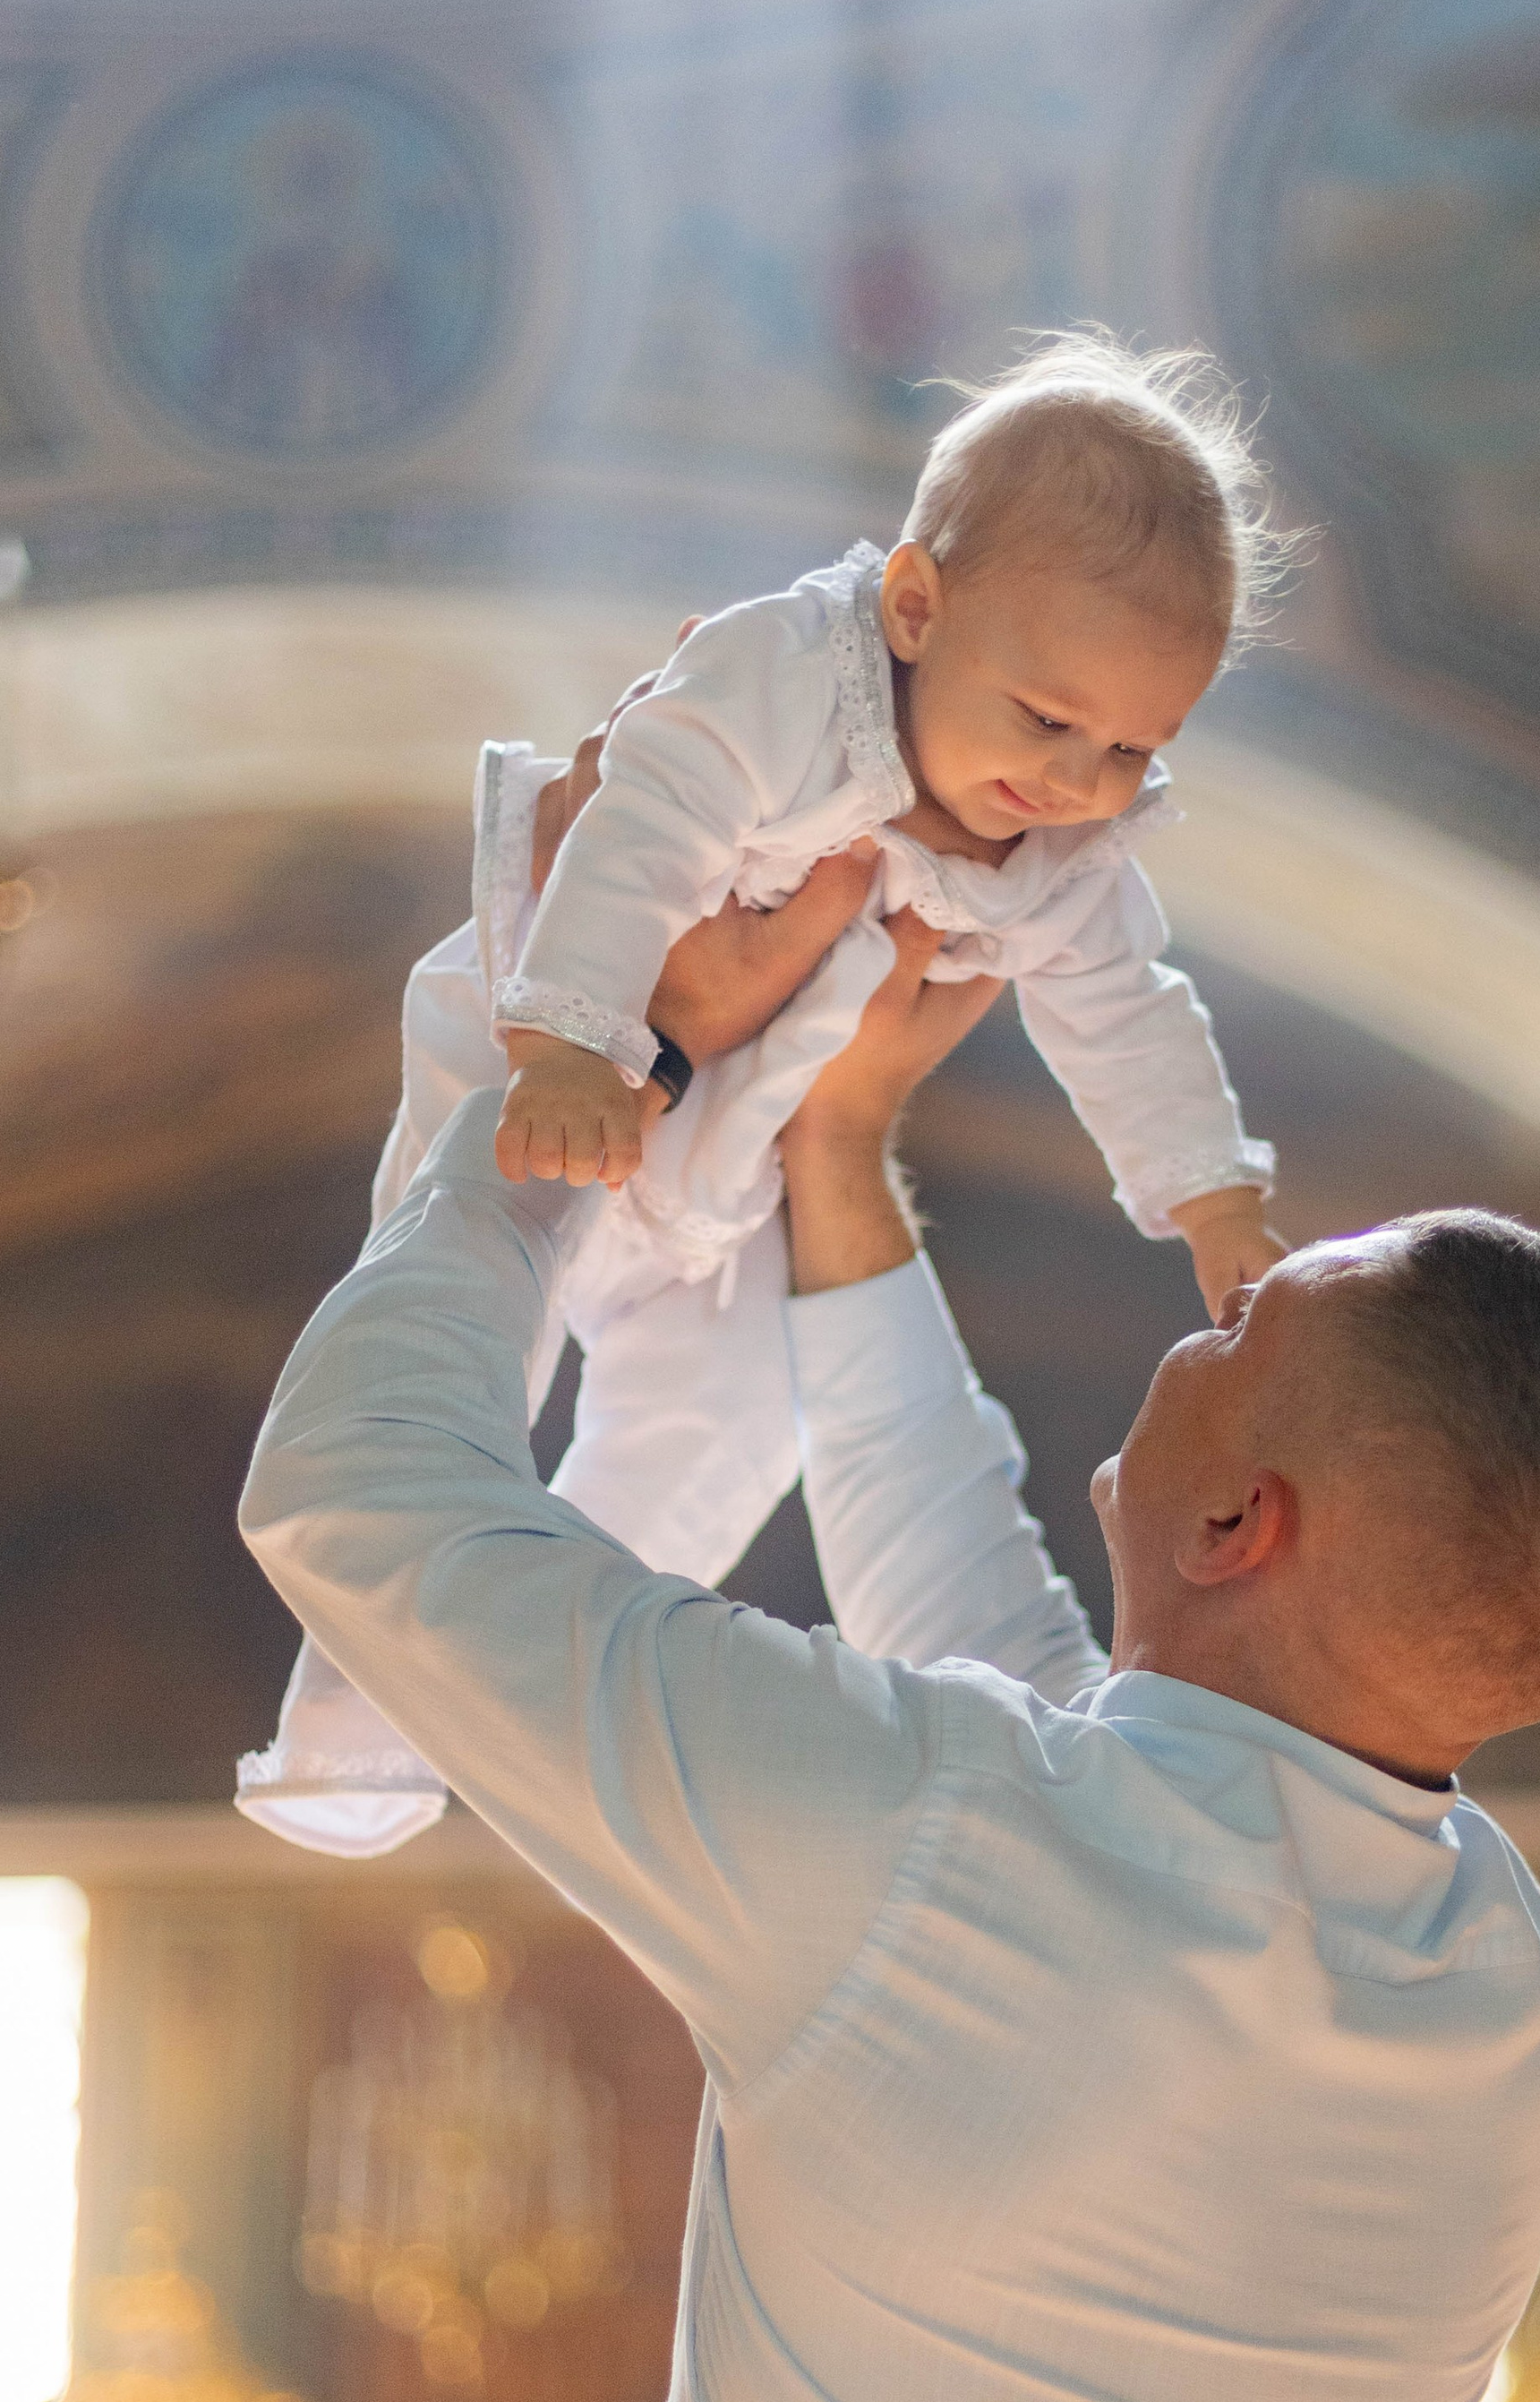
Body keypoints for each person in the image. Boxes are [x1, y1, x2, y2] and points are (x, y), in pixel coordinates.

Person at [237, 904, 1540, 2402]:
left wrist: (568, 1080)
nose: (1188, 1327)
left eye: (1228, 1335)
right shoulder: (1482, 1959)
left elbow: (357, 1499)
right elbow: (1026, 1716)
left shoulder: (960, 1847)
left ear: (1233, 1519)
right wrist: (837, 1155)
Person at [240, 330, 1286, 1854]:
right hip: (556, 1042)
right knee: (465, 1339)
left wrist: (1216, 1196)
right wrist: (579, 1048)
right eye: (1050, 720)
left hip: (727, 1165)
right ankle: (341, 1740)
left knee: (735, 1423)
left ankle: (500, 1686)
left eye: (1135, 748)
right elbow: (638, 816)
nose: (1079, 781)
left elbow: (1129, 1006)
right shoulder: (793, 679)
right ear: (915, 606)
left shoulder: (1065, 857)